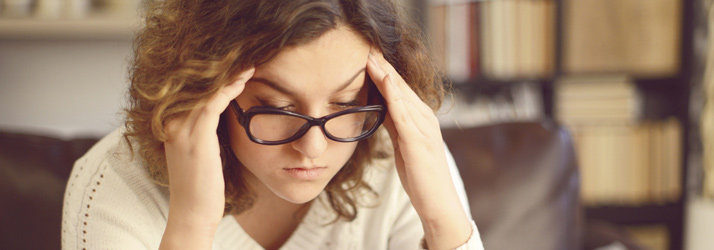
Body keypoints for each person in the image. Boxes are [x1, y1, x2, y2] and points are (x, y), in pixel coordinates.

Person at [62, 0, 484, 249]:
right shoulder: (115, 185)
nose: (314, 148)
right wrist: (191, 224)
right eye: (277, 107)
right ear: (207, 92)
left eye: (345, 102)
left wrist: (443, 219)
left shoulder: (402, 156)